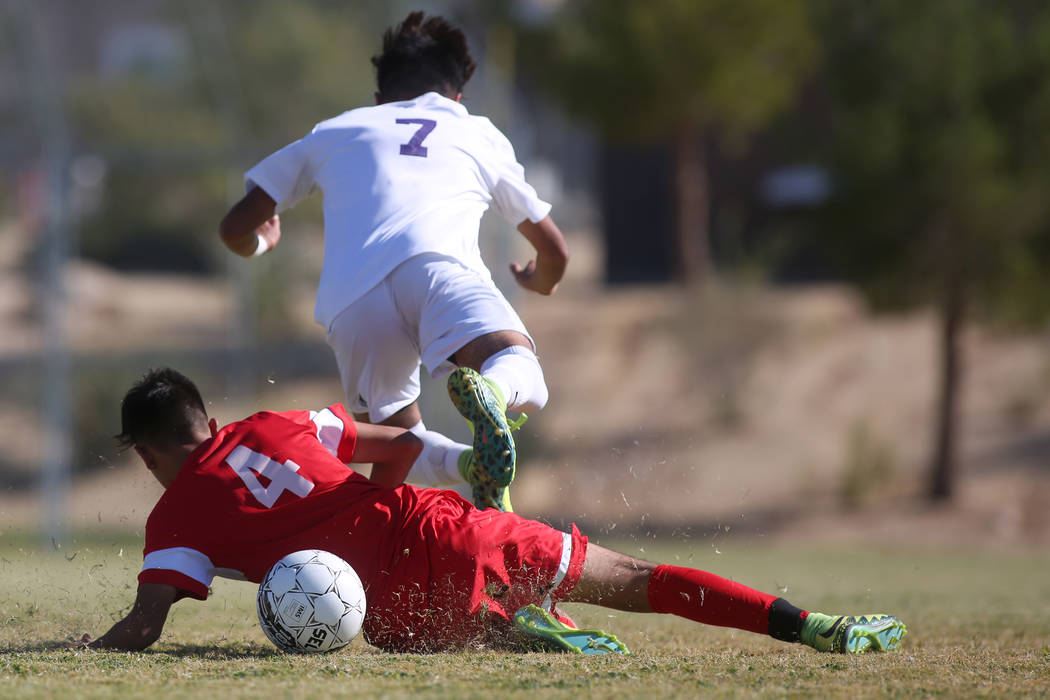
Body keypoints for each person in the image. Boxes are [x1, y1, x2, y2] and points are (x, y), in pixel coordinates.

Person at [79, 368, 907, 655]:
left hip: (399, 609)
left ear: (150, 454)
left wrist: (91, 648)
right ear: (210, 422)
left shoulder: (175, 518)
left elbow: (147, 624)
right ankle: (815, 626)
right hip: (443, 525)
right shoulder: (279, 424)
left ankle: (520, 627)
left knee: (421, 629)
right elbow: (396, 445)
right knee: (638, 578)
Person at [218, 11, 569, 513]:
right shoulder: (476, 131)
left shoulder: (335, 130)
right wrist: (541, 281)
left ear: (380, 99)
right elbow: (556, 250)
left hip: (353, 301)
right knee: (518, 372)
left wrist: (260, 245)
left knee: (396, 441)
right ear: (457, 98)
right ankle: (492, 390)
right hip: (440, 269)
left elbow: (233, 227)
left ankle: (472, 468)